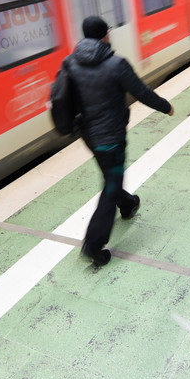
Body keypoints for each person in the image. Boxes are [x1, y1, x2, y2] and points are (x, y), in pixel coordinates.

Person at [70, 16, 174, 267]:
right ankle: (93, 245)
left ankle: (127, 203)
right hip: (111, 138)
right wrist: (166, 107)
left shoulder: (70, 62)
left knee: (111, 177)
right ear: (105, 35)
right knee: (111, 184)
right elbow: (141, 92)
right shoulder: (116, 64)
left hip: (89, 135)